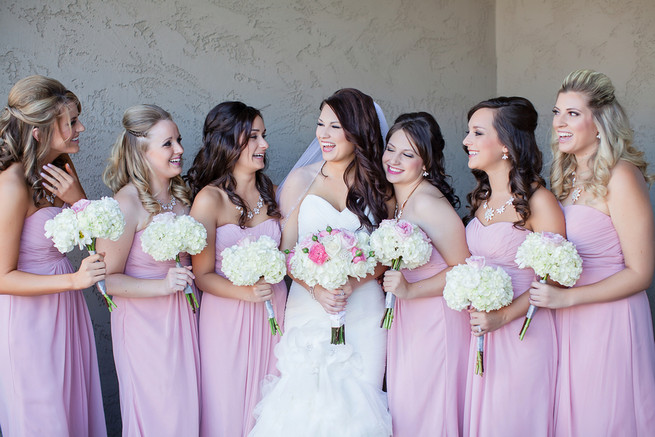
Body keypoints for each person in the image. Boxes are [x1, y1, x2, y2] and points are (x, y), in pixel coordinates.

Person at [249, 88, 393, 436]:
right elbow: (283, 254)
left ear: (358, 131)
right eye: (320, 124)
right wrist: (316, 288)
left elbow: (389, 255)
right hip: (308, 309)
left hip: (363, 313)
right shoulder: (302, 179)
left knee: (360, 409)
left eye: (334, 126)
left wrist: (353, 282)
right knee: (305, 409)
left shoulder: (381, 186)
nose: (322, 135)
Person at [529, 69, 655, 436]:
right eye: (556, 112)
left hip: (608, 320)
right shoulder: (562, 179)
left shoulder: (621, 176)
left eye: (572, 113)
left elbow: (641, 272)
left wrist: (569, 299)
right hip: (566, 318)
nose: (559, 123)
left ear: (599, 122)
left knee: (604, 417)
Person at [0, 75, 106, 436]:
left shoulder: (62, 169)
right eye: (71, 122)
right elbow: (1, 277)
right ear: (39, 130)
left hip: (66, 312)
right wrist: (74, 280)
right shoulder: (11, 185)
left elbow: (93, 238)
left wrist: (79, 199)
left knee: (72, 408)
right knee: (43, 418)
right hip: (29, 318)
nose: (81, 128)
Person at [462, 97, 565, 436]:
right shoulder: (481, 199)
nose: (466, 141)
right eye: (468, 132)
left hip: (524, 333)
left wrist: (503, 317)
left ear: (506, 144)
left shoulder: (538, 202)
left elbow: (557, 277)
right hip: (481, 333)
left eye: (477, 133)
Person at [98, 104, 200, 436]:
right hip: (144, 328)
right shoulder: (125, 204)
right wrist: (163, 286)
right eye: (168, 143)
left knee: (185, 413)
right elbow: (105, 280)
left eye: (179, 140)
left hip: (185, 320)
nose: (180, 150)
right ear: (142, 152)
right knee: (159, 415)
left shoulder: (182, 199)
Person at [187, 101, 286, 437]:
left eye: (264, 135)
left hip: (274, 312)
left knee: (272, 403)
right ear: (229, 142)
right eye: (254, 137)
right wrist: (245, 292)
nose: (264, 145)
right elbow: (202, 276)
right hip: (227, 316)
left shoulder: (271, 193)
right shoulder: (209, 199)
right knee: (226, 407)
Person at [381, 112, 470, 436]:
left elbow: (464, 268)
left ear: (426, 162)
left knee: (428, 408)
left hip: (435, 321)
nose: (394, 160)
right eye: (391, 148)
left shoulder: (429, 203)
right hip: (408, 319)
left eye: (408, 154)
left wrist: (409, 291)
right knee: (407, 406)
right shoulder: (399, 200)